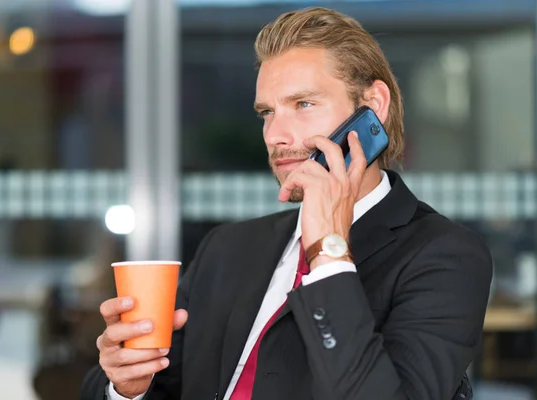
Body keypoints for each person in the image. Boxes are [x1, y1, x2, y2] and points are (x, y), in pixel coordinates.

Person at [81, 7, 492, 400]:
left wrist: (329, 252)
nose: (275, 134)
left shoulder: (444, 255)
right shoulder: (227, 248)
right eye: (266, 112)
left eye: (303, 105)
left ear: (373, 107)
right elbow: (149, 385)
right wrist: (126, 387)